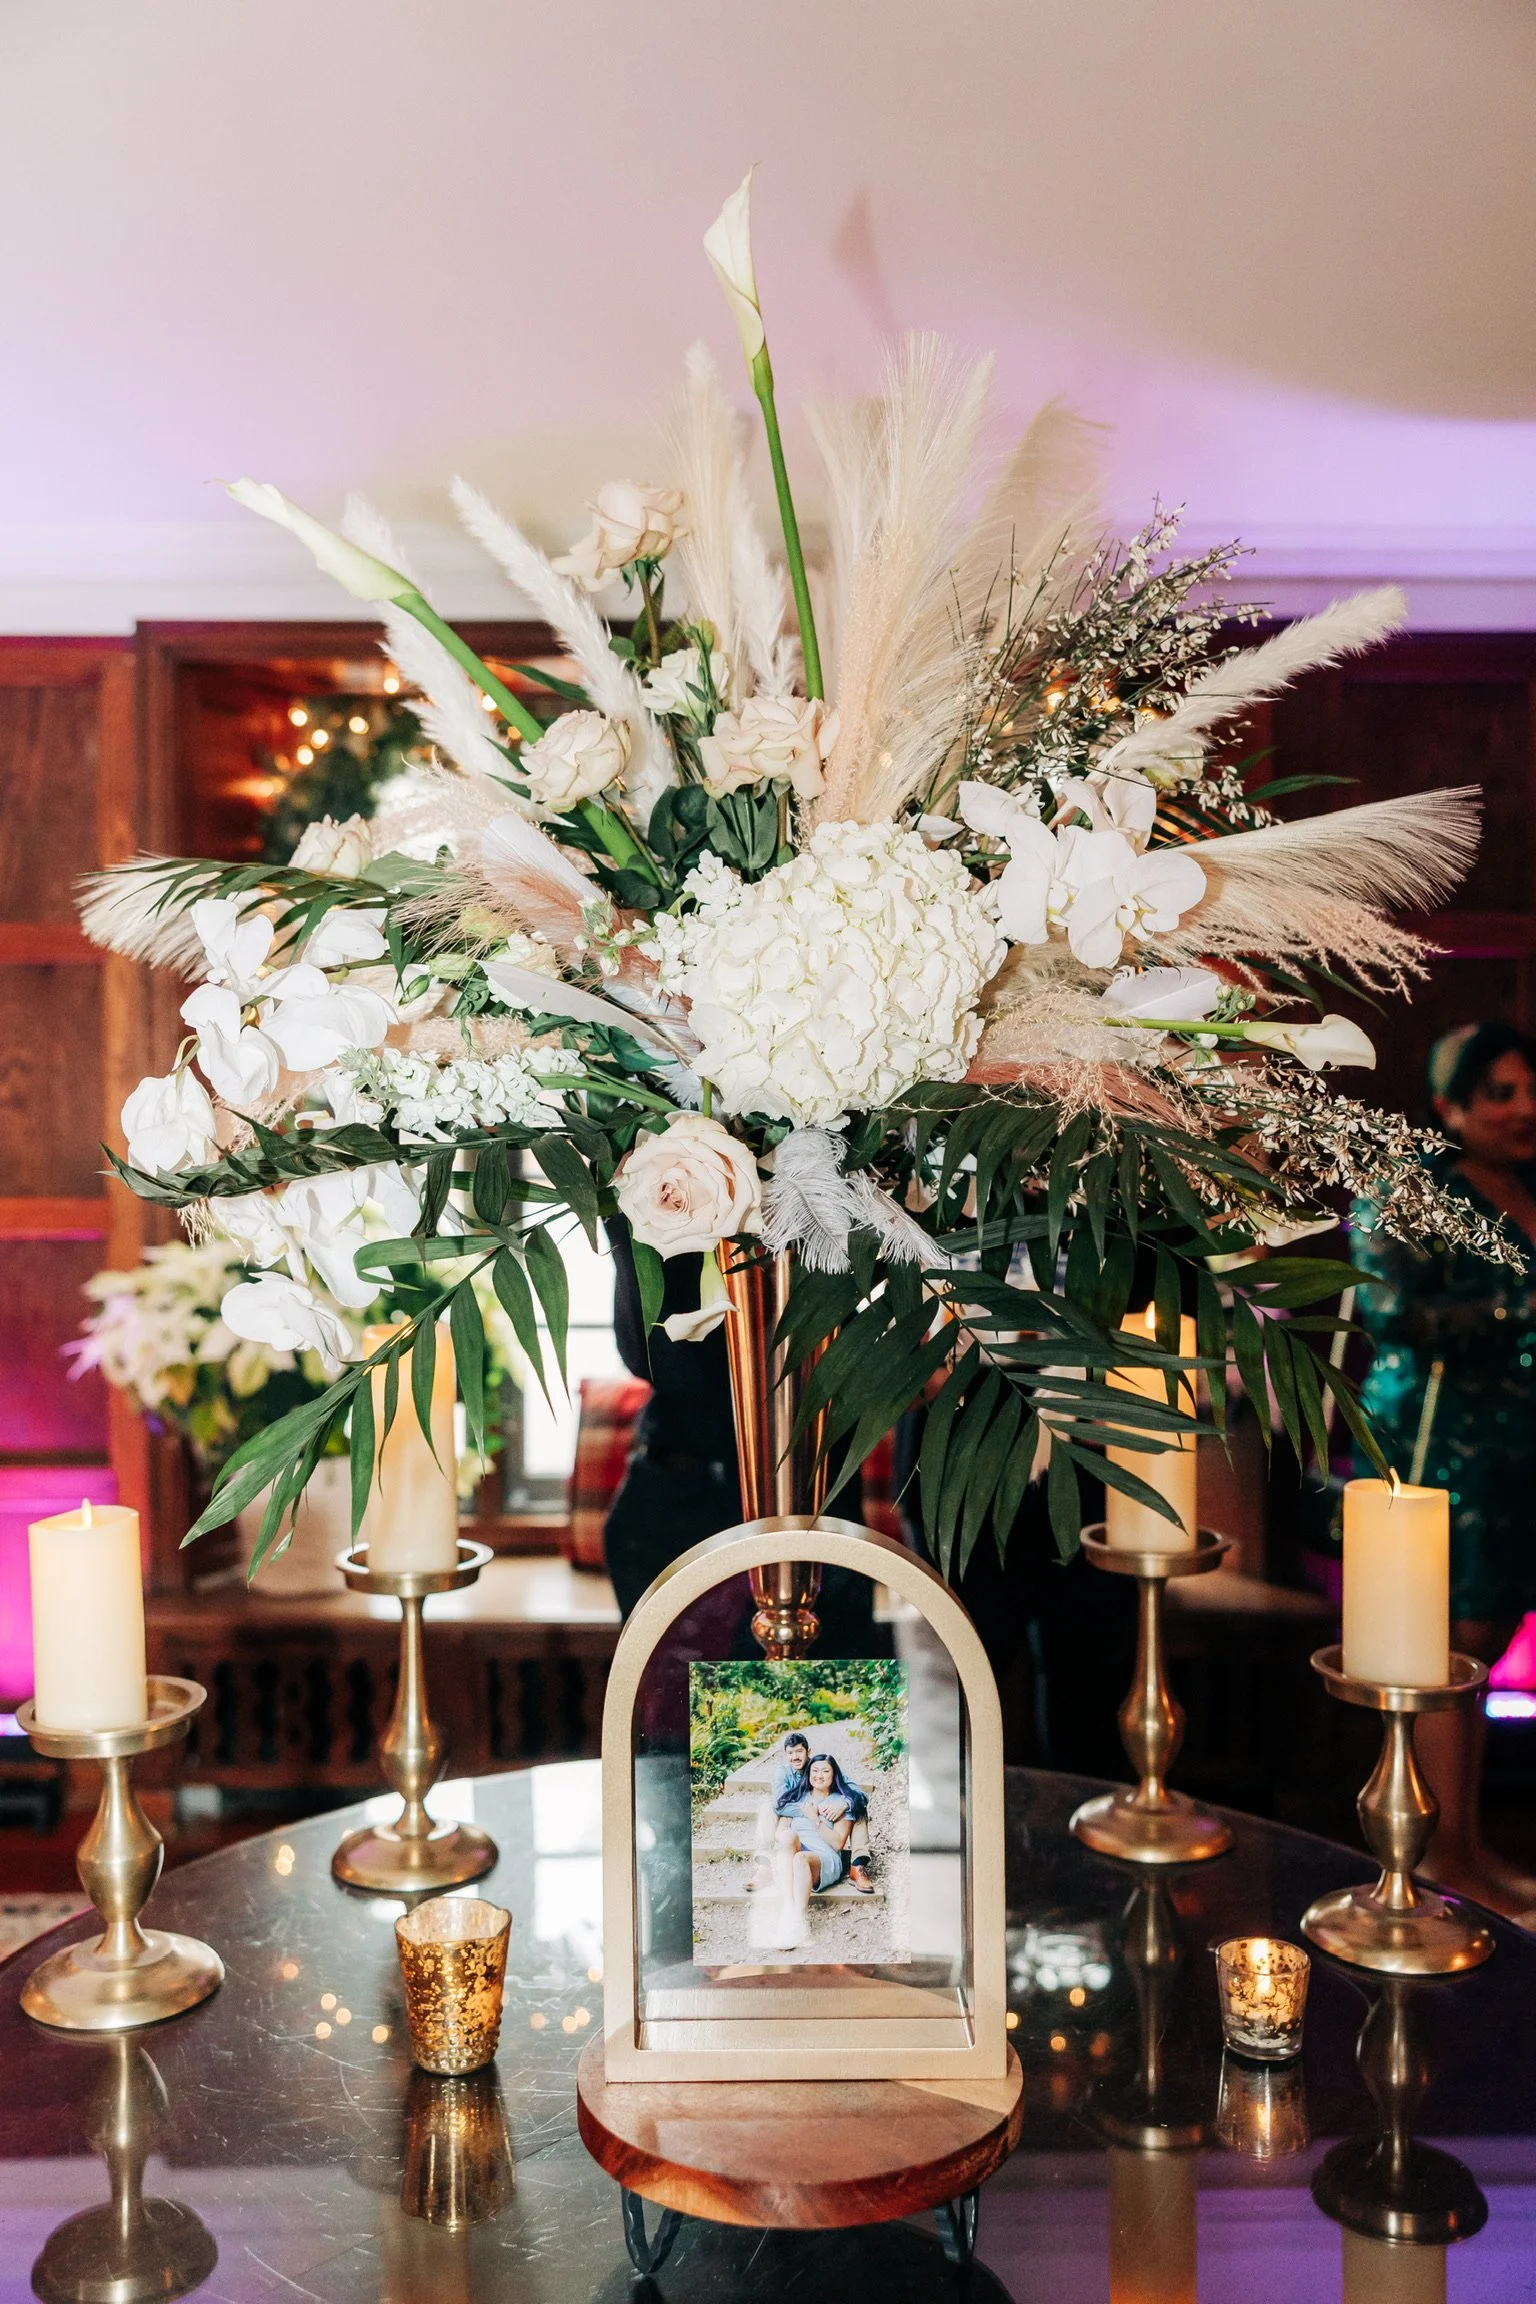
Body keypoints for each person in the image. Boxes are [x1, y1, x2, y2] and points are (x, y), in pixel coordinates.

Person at [1353, 1020, 1536, 1917]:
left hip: (1519, 1453)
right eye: (1499, 1092)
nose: (1523, 1108)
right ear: (1449, 1102)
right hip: (1437, 1445)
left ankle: (1469, 1845)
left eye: (1530, 1090)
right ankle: (1439, 1856)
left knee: (1488, 1650)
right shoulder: (1414, 1191)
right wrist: (1518, 1312)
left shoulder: (1528, 1187)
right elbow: (1386, 1311)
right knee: (1443, 1652)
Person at [750, 1755, 866, 1951]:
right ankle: (789, 1905)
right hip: (794, 1851)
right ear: (808, 1774)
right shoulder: (797, 1798)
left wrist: (815, 1819)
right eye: (815, 1771)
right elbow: (780, 1832)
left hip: (823, 1856)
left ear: (834, 1774)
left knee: (800, 1858)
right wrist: (788, 1834)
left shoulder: (839, 1802)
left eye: (825, 1771)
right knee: (788, 1840)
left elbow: (838, 1843)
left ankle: (798, 1920)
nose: (819, 1775)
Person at [745, 1732, 875, 1896]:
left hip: (823, 1825)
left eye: (799, 1751)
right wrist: (813, 1810)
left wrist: (844, 1804)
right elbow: (779, 1805)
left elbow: (860, 1794)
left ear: (808, 1751)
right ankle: (765, 1866)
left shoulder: (819, 1766)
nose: (795, 1757)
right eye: (790, 1753)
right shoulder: (783, 1772)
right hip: (798, 1815)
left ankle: (858, 1865)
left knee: (857, 1806)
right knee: (767, 1808)